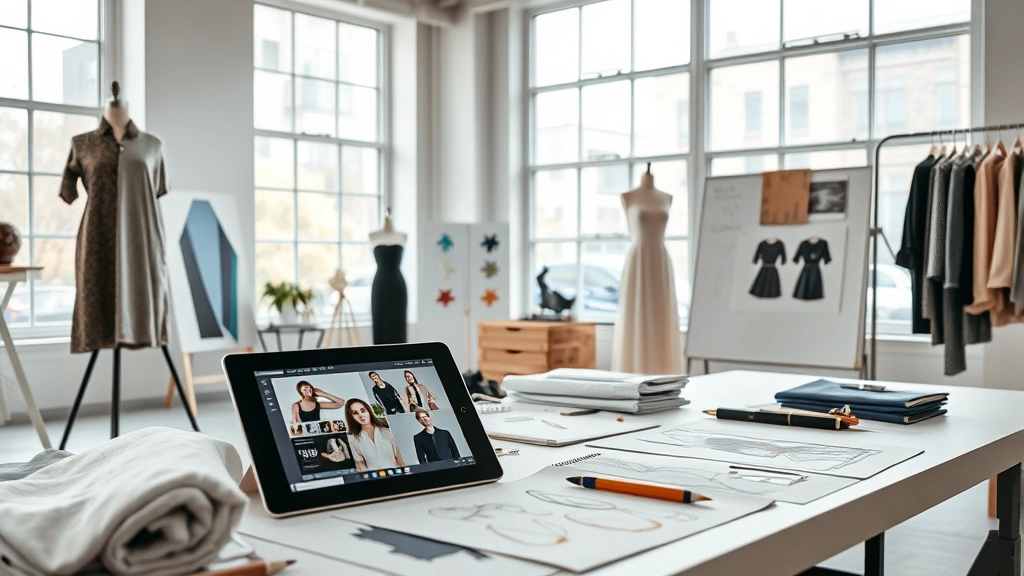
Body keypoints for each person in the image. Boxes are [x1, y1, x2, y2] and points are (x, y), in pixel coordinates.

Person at [345, 398, 405, 470]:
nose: (360, 415)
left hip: (396, 473)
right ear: (351, 417)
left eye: (362, 410)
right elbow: (360, 466)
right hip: (373, 475)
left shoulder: (388, 431)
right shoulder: (354, 440)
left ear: (368, 411)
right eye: (355, 413)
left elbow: (401, 462)